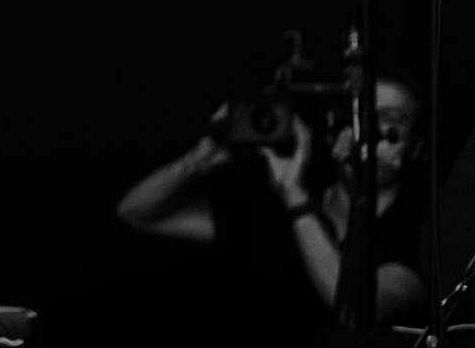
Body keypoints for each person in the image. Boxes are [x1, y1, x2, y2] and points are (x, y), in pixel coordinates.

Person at [115, 76, 428, 344]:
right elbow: (138, 213)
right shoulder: (271, 211)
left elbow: (356, 310)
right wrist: (195, 162)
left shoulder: (425, 229)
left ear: (416, 147)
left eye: (389, 120)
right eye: (358, 114)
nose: (366, 132)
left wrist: (295, 196)